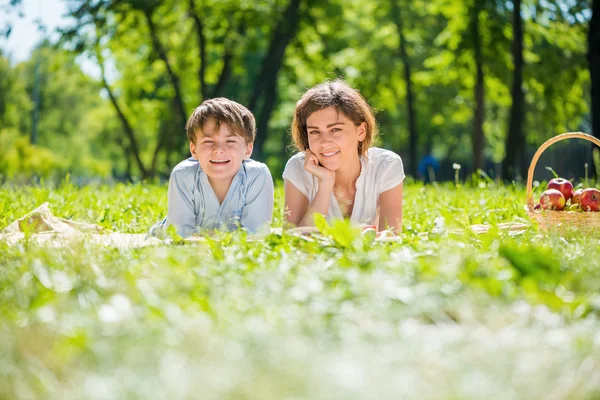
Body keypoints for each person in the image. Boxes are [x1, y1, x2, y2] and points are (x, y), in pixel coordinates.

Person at [282, 79, 405, 233]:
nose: (324, 142)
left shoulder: (386, 165)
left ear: (361, 132)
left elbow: (391, 238)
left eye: (335, 130)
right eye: (314, 132)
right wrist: (326, 183)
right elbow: (292, 243)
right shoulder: (297, 168)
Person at [149, 98, 274, 238]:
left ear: (247, 149)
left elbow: (257, 233)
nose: (218, 150)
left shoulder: (257, 175)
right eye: (208, 141)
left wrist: (211, 238)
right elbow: (179, 234)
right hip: (167, 237)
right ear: (194, 149)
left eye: (230, 141)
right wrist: (221, 238)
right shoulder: (183, 175)